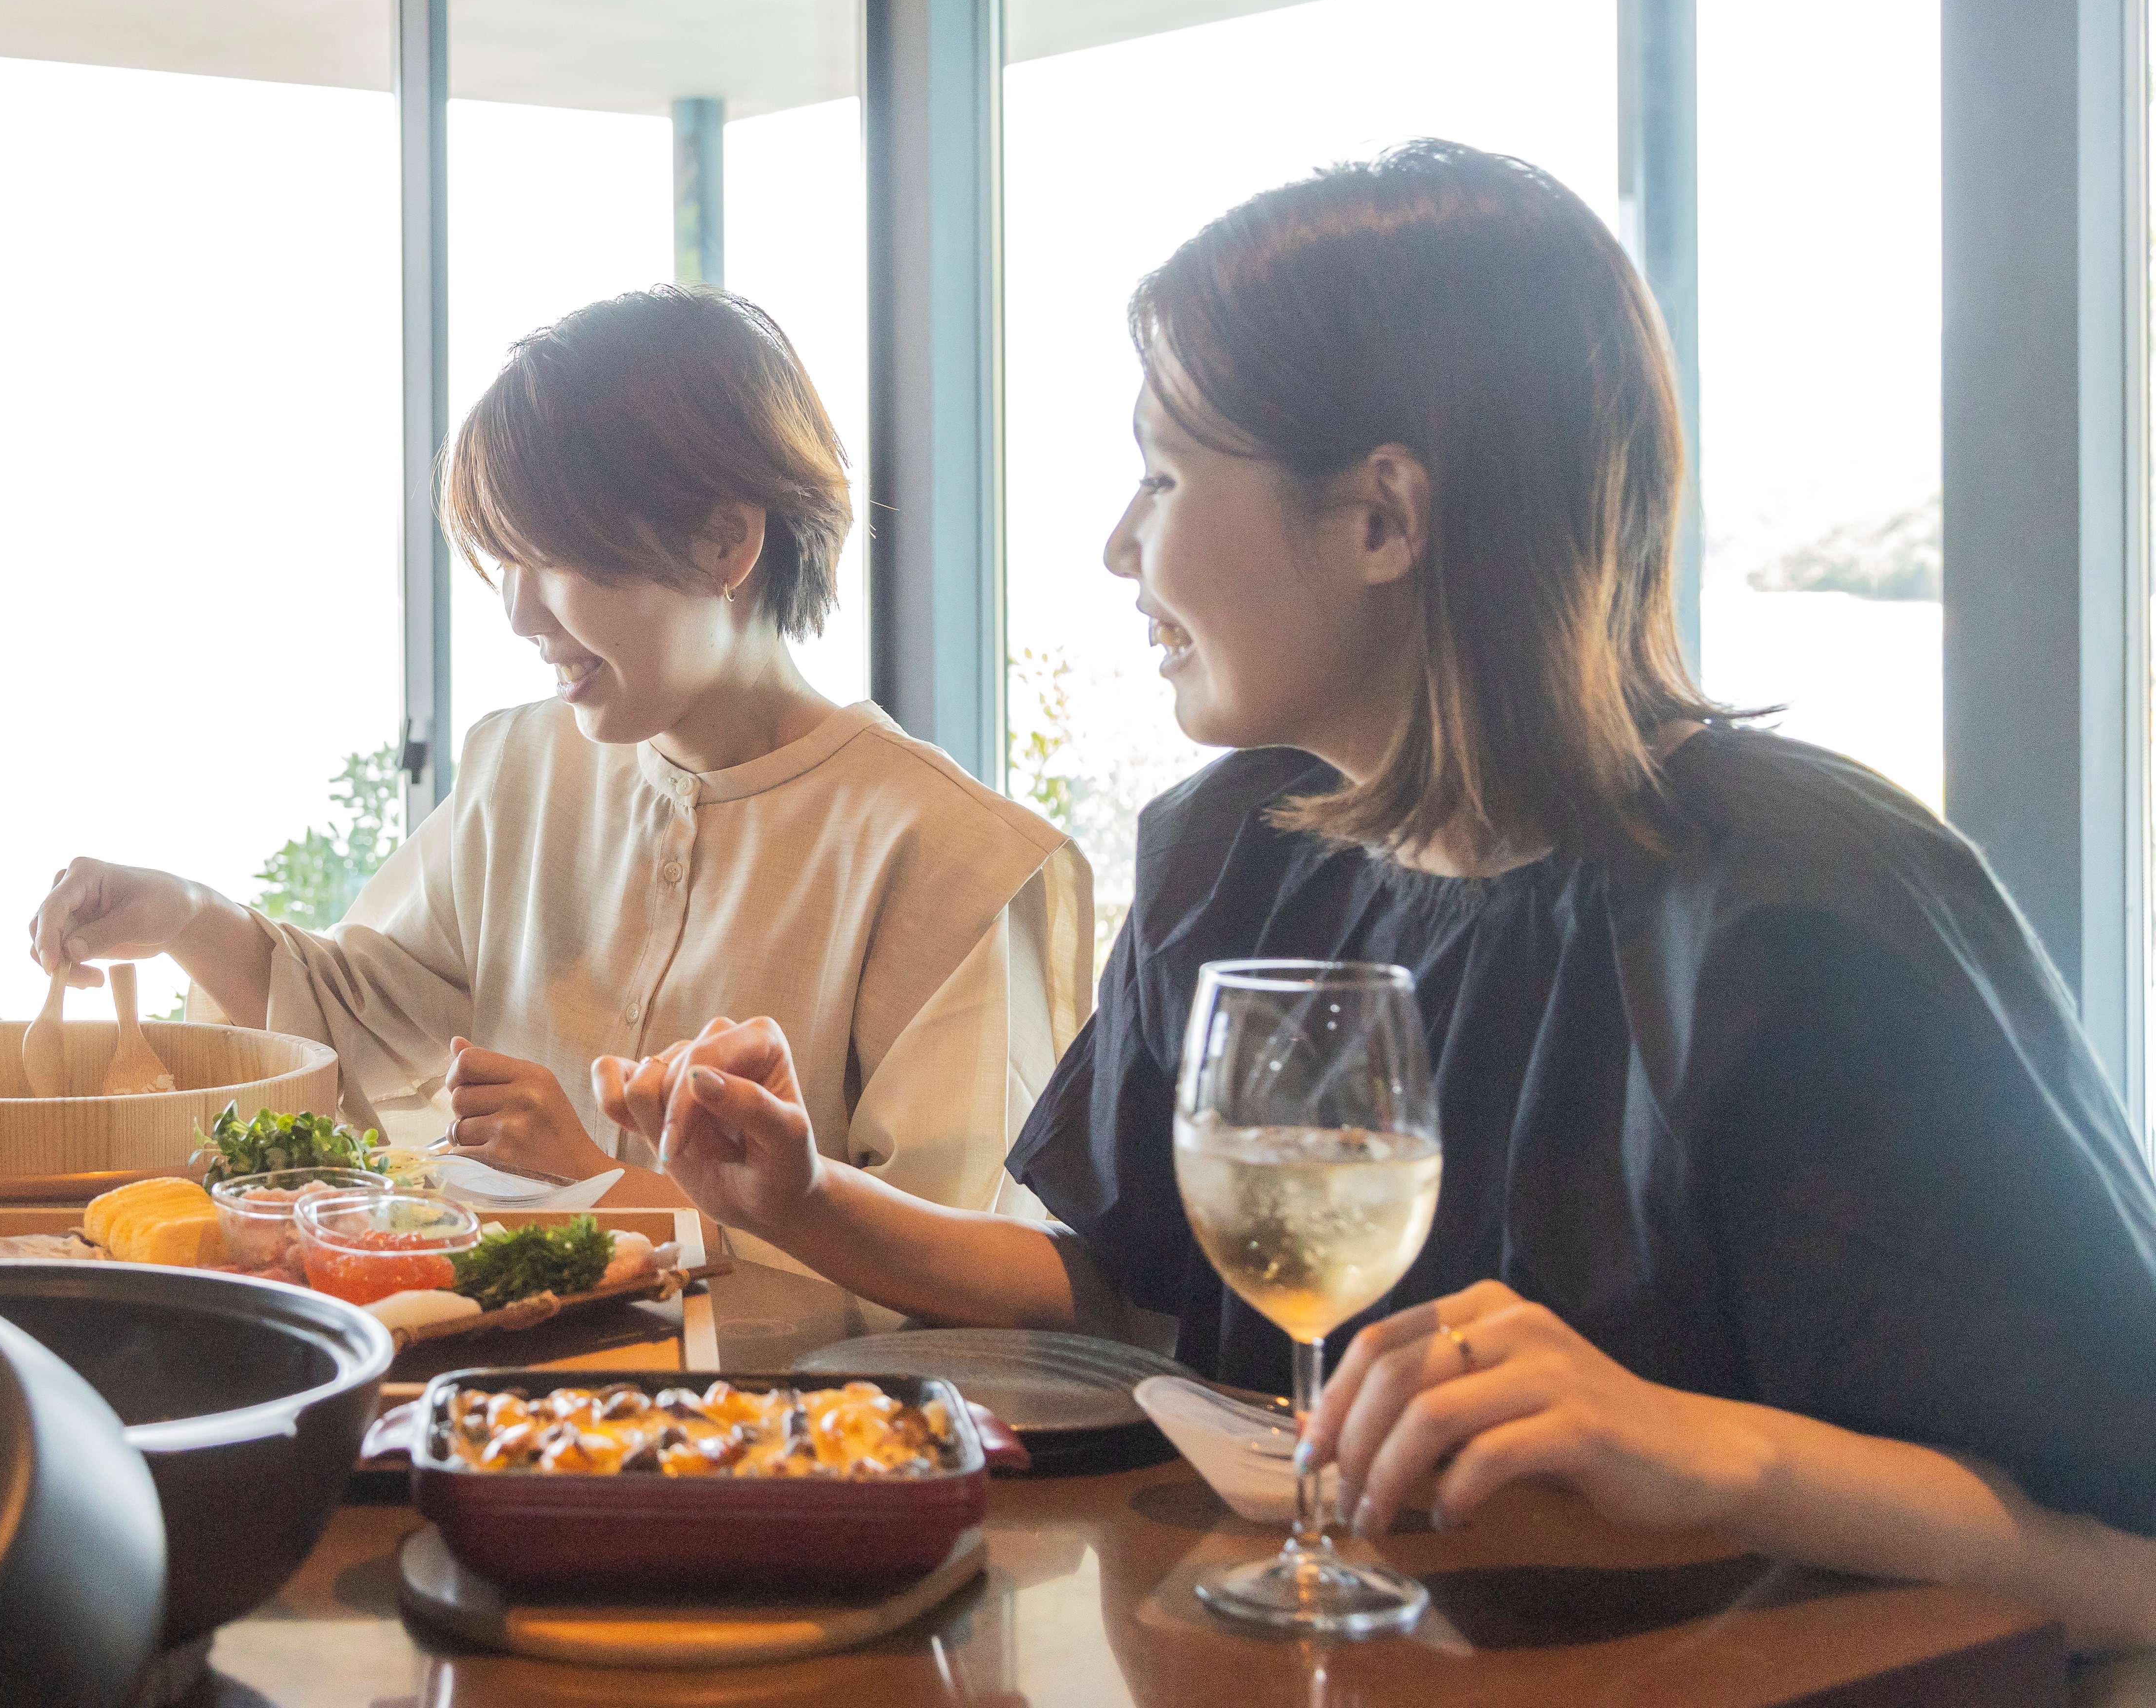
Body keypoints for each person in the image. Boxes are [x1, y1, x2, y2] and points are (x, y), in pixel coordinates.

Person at [591, 143, 2156, 1650]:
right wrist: (804, 1203)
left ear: (1384, 518)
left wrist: (1692, 1446)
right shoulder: (1233, 852)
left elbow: (2124, 1563)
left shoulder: (1814, 913)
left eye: (1162, 475)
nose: (1117, 544)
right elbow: (1131, 1298)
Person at [30, 286, 1089, 1221]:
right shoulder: (520, 770)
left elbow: (964, 1261)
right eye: (504, 559)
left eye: (555, 556)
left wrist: (596, 1179)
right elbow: (359, 1024)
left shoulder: (959, 863)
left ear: (728, 541)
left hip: (789, 1438)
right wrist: (180, 914)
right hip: (498, 1403)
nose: (521, 610)